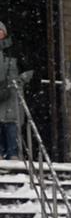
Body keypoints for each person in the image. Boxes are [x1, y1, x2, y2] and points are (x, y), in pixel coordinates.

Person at [0, 21, 33, 161]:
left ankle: (13, 153)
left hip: (12, 93)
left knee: (11, 123)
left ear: (5, 32)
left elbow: (29, 70)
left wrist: (19, 81)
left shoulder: (15, 49)